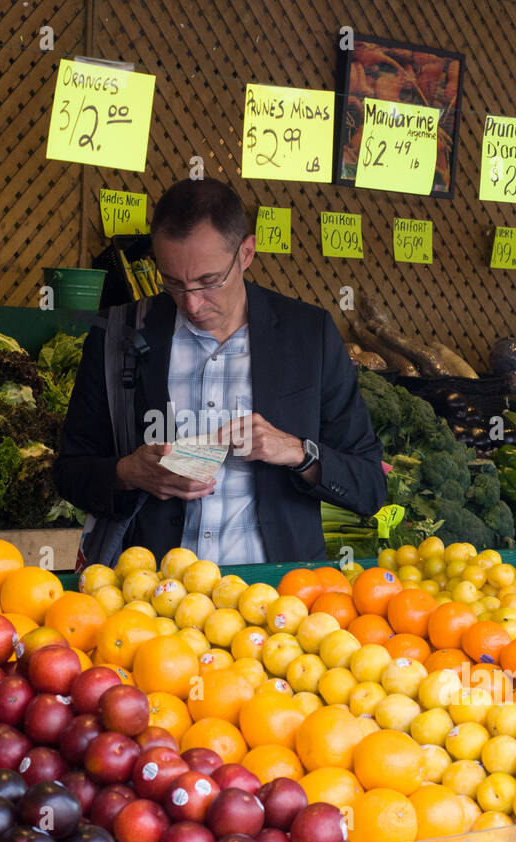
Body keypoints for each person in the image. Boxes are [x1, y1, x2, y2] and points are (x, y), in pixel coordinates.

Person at [53, 178, 385, 566]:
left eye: (209, 282)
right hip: (148, 593)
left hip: (278, 596)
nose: (191, 304)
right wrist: (128, 472)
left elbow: (369, 485)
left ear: (246, 253)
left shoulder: (309, 335)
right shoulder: (117, 335)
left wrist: (296, 451)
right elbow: (69, 472)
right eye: (173, 283)